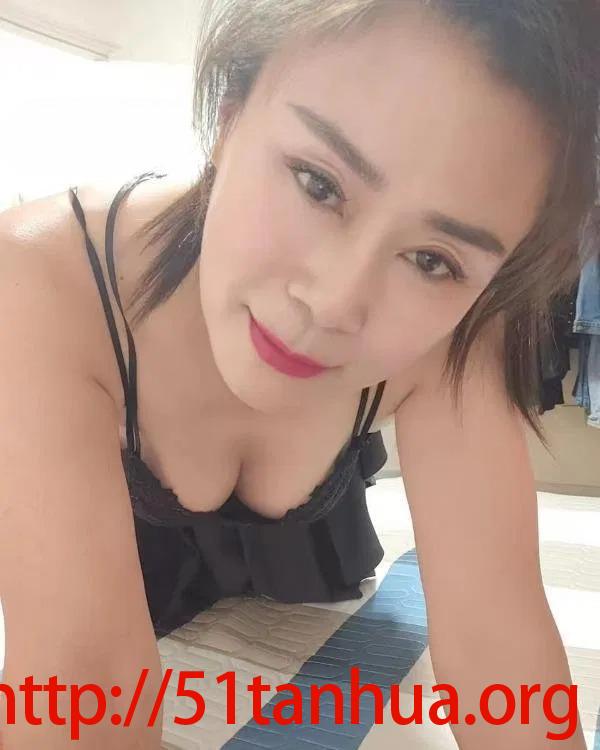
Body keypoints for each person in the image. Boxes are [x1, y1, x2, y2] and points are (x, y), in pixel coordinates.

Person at [0, 0, 598, 747]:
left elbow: (496, 642)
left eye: (431, 259)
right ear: (229, 113)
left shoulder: (460, 330)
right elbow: (80, 676)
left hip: (310, 573)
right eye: (318, 184)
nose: (334, 301)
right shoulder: (38, 280)